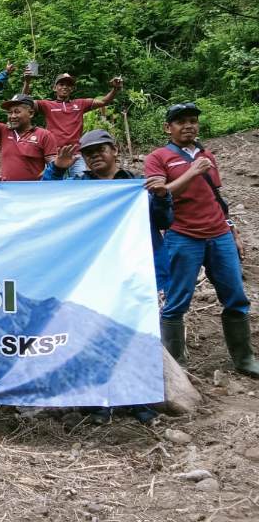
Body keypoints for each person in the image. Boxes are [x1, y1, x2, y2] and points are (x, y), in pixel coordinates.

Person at [43, 129, 174, 423]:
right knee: (93, 334)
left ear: (114, 150)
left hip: (136, 272)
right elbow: (47, 200)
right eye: (89, 153)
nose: (95, 156)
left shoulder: (137, 186)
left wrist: (163, 196)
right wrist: (56, 169)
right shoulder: (78, 185)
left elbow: (165, 222)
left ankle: (138, 398)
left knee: (137, 334)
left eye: (101, 150)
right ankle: (97, 400)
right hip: (95, 273)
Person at [144, 102, 259, 377]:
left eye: (193, 121)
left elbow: (217, 197)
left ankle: (244, 359)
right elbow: (160, 192)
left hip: (219, 235)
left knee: (236, 298)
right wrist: (192, 171)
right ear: (167, 128)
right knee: (176, 303)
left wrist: (233, 231)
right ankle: (176, 369)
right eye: (181, 121)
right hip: (183, 236)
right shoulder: (157, 157)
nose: (189, 126)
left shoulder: (206, 155)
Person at [21, 71, 123, 177]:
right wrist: (27, 82)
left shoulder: (80, 103)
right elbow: (24, 102)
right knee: (52, 185)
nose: (65, 87)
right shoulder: (47, 105)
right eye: (61, 84)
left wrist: (115, 89)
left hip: (76, 155)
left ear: (72, 89)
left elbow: (103, 102)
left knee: (80, 187)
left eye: (68, 85)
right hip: (54, 155)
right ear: (54, 88)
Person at [0, 87, 57, 181]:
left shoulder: (44, 135)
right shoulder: (3, 131)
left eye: (17, 112)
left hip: (32, 192)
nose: (12, 116)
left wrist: (58, 166)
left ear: (31, 113)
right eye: (9, 112)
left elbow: (52, 167)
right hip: (7, 192)